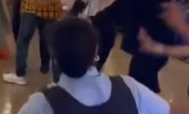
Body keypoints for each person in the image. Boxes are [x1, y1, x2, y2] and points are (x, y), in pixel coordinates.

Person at [17, 18, 169, 114]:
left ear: (53, 54)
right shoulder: (130, 88)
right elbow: (164, 110)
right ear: (96, 49)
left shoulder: (43, 103)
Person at [120, 0, 173, 93]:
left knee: (139, 80)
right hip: (160, 40)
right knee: (147, 78)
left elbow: (128, 9)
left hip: (150, 41)